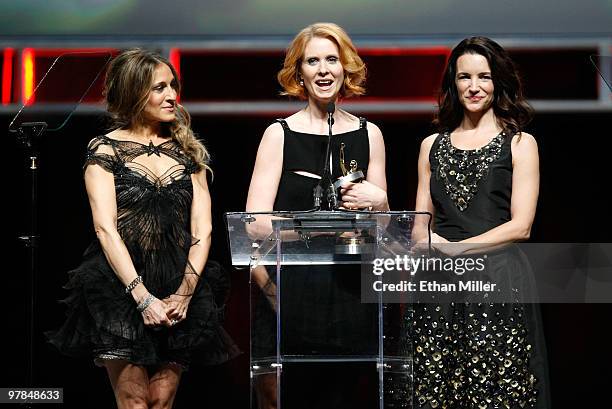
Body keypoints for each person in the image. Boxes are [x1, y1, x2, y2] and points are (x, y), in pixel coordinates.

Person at [47, 49, 238, 409]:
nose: (172, 96)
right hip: (121, 286)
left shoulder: (187, 151)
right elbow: (105, 229)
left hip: (180, 284)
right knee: (134, 401)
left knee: (160, 400)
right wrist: (142, 296)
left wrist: (184, 293)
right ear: (134, 92)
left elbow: (204, 228)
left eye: (172, 86)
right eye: (159, 88)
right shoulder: (105, 148)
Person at [245, 22, 389, 409]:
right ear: (299, 73)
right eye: (313, 61)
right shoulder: (278, 133)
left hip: (349, 295)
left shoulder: (369, 133)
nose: (324, 70)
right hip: (288, 294)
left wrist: (381, 204)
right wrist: (322, 227)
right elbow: (255, 224)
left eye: (332, 59)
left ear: (346, 68)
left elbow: (386, 228)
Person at [411, 37, 550, 408]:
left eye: (484, 77)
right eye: (464, 77)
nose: (474, 86)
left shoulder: (520, 143)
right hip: (438, 283)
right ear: (453, 84)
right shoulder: (431, 145)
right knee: (436, 389)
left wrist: (458, 249)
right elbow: (419, 224)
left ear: (498, 81)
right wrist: (430, 248)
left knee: (497, 390)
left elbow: (521, 226)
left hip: (497, 279)